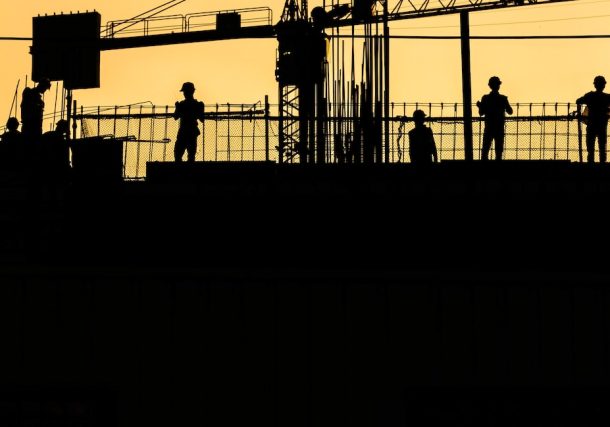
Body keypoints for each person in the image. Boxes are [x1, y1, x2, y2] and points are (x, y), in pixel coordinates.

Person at [477, 76, 513, 161]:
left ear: (490, 86)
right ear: (498, 85)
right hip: (499, 127)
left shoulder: (485, 98)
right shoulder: (503, 99)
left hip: (489, 127)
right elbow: (510, 111)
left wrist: (480, 106)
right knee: (499, 151)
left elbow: (481, 113)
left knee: (485, 151)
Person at [576, 75, 610, 163]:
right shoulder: (607, 97)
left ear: (595, 85)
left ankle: (590, 165)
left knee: (590, 147)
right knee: (602, 147)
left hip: (592, 124)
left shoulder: (590, 96)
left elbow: (578, 101)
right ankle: (602, 165)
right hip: (602, 125)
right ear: (603, 85)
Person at [172, 82, 205, 162]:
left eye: (185, 91)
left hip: (186, 132)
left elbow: (175, 117)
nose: (184, 93)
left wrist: (178, 108)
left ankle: (183, 173)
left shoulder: (184, 104)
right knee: (186, 155)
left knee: (181, 154)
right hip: (190, 132)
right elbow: (202, 119)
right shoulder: (196, 104)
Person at [20, 77, 51, 143]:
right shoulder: (28, 92)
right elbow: (26, 106)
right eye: (45, 88)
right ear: (41, 85)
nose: (45, 90)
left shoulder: (39, 99)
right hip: (29, 127)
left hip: (36, 128)